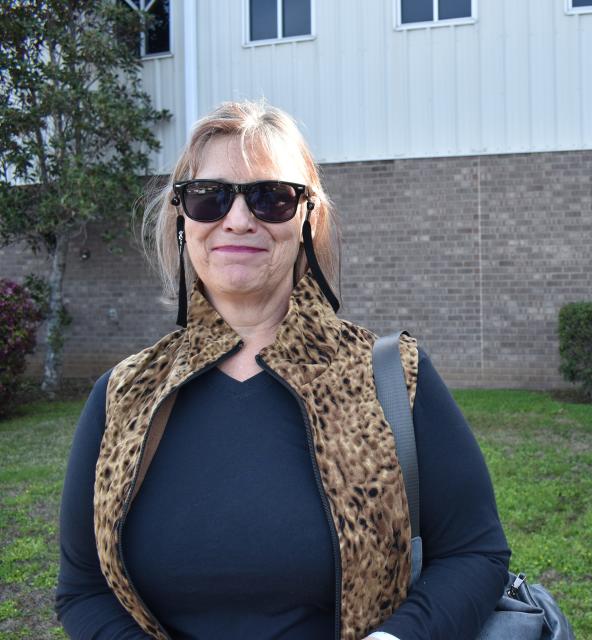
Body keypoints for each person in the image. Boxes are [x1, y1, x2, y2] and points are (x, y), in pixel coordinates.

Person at [55, 99, 511, 640]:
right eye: (209, 198)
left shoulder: (391, 376)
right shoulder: (124, 394)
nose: (239, 220)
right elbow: (83, 587)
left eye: (271, 198)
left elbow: (474, 552)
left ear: (307, 220)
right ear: (182, 219)